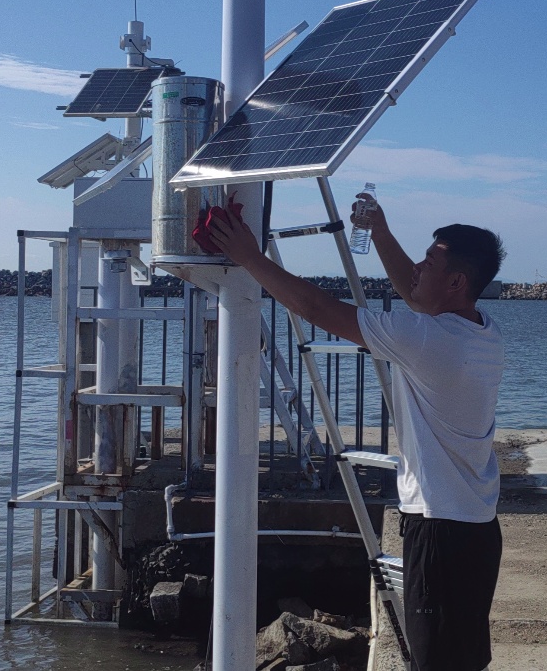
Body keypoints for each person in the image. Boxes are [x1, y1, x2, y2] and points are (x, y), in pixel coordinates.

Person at [206, 191, 506, 671]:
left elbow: (321, 311)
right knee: (464, 659)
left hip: (441, 531)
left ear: (456, 281)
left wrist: (250, 259)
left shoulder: (429, 340)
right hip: (476, 527)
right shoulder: (482, 330)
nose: (417, 268)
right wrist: (381, 233)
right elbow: (414, 294)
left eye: (428, 262)